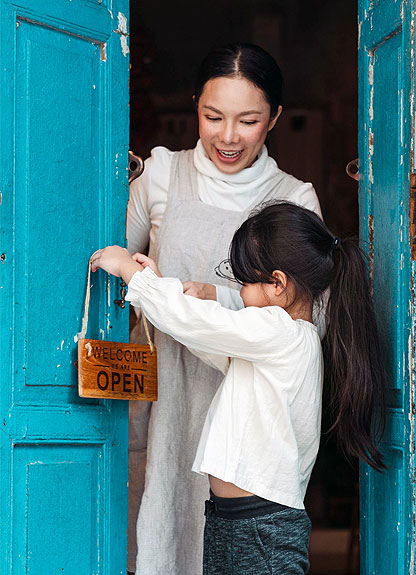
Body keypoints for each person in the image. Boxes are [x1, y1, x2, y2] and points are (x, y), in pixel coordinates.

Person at [91, 201, 385, 575]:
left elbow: (202, 324)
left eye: (243, 279)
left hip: (261, 525)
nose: (238, 290)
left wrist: (133, 274)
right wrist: (159, 287)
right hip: (236, 518)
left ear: (277, 285)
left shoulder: (280, 332)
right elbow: (208, 335)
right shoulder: (275, 339)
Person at [126, 43, 322, 575]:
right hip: (166, 397)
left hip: (247, 415)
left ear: (275, 118)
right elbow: (113, 268)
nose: (228, 136)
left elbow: (303, 312)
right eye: (213, 117)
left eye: (249, 120)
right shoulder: (162, 174)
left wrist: (215, 298)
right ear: (195, 107)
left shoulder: (294, 198)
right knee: (160, 531)